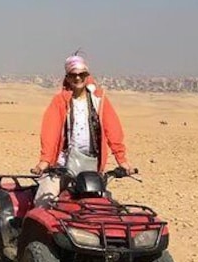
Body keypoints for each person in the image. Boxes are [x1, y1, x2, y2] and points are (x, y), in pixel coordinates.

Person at [30, 54, 133, 207]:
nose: (77, 78)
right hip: (63, 166)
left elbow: (112, 130)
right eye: (73, 75)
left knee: (105, 209)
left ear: (87, 76)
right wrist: (45, 161)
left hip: (91, 168)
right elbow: (50, 133)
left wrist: (122, 160)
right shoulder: (60, 102)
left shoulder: (99, 100)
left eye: (81, 74)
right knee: (43, 203)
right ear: (67, 77)